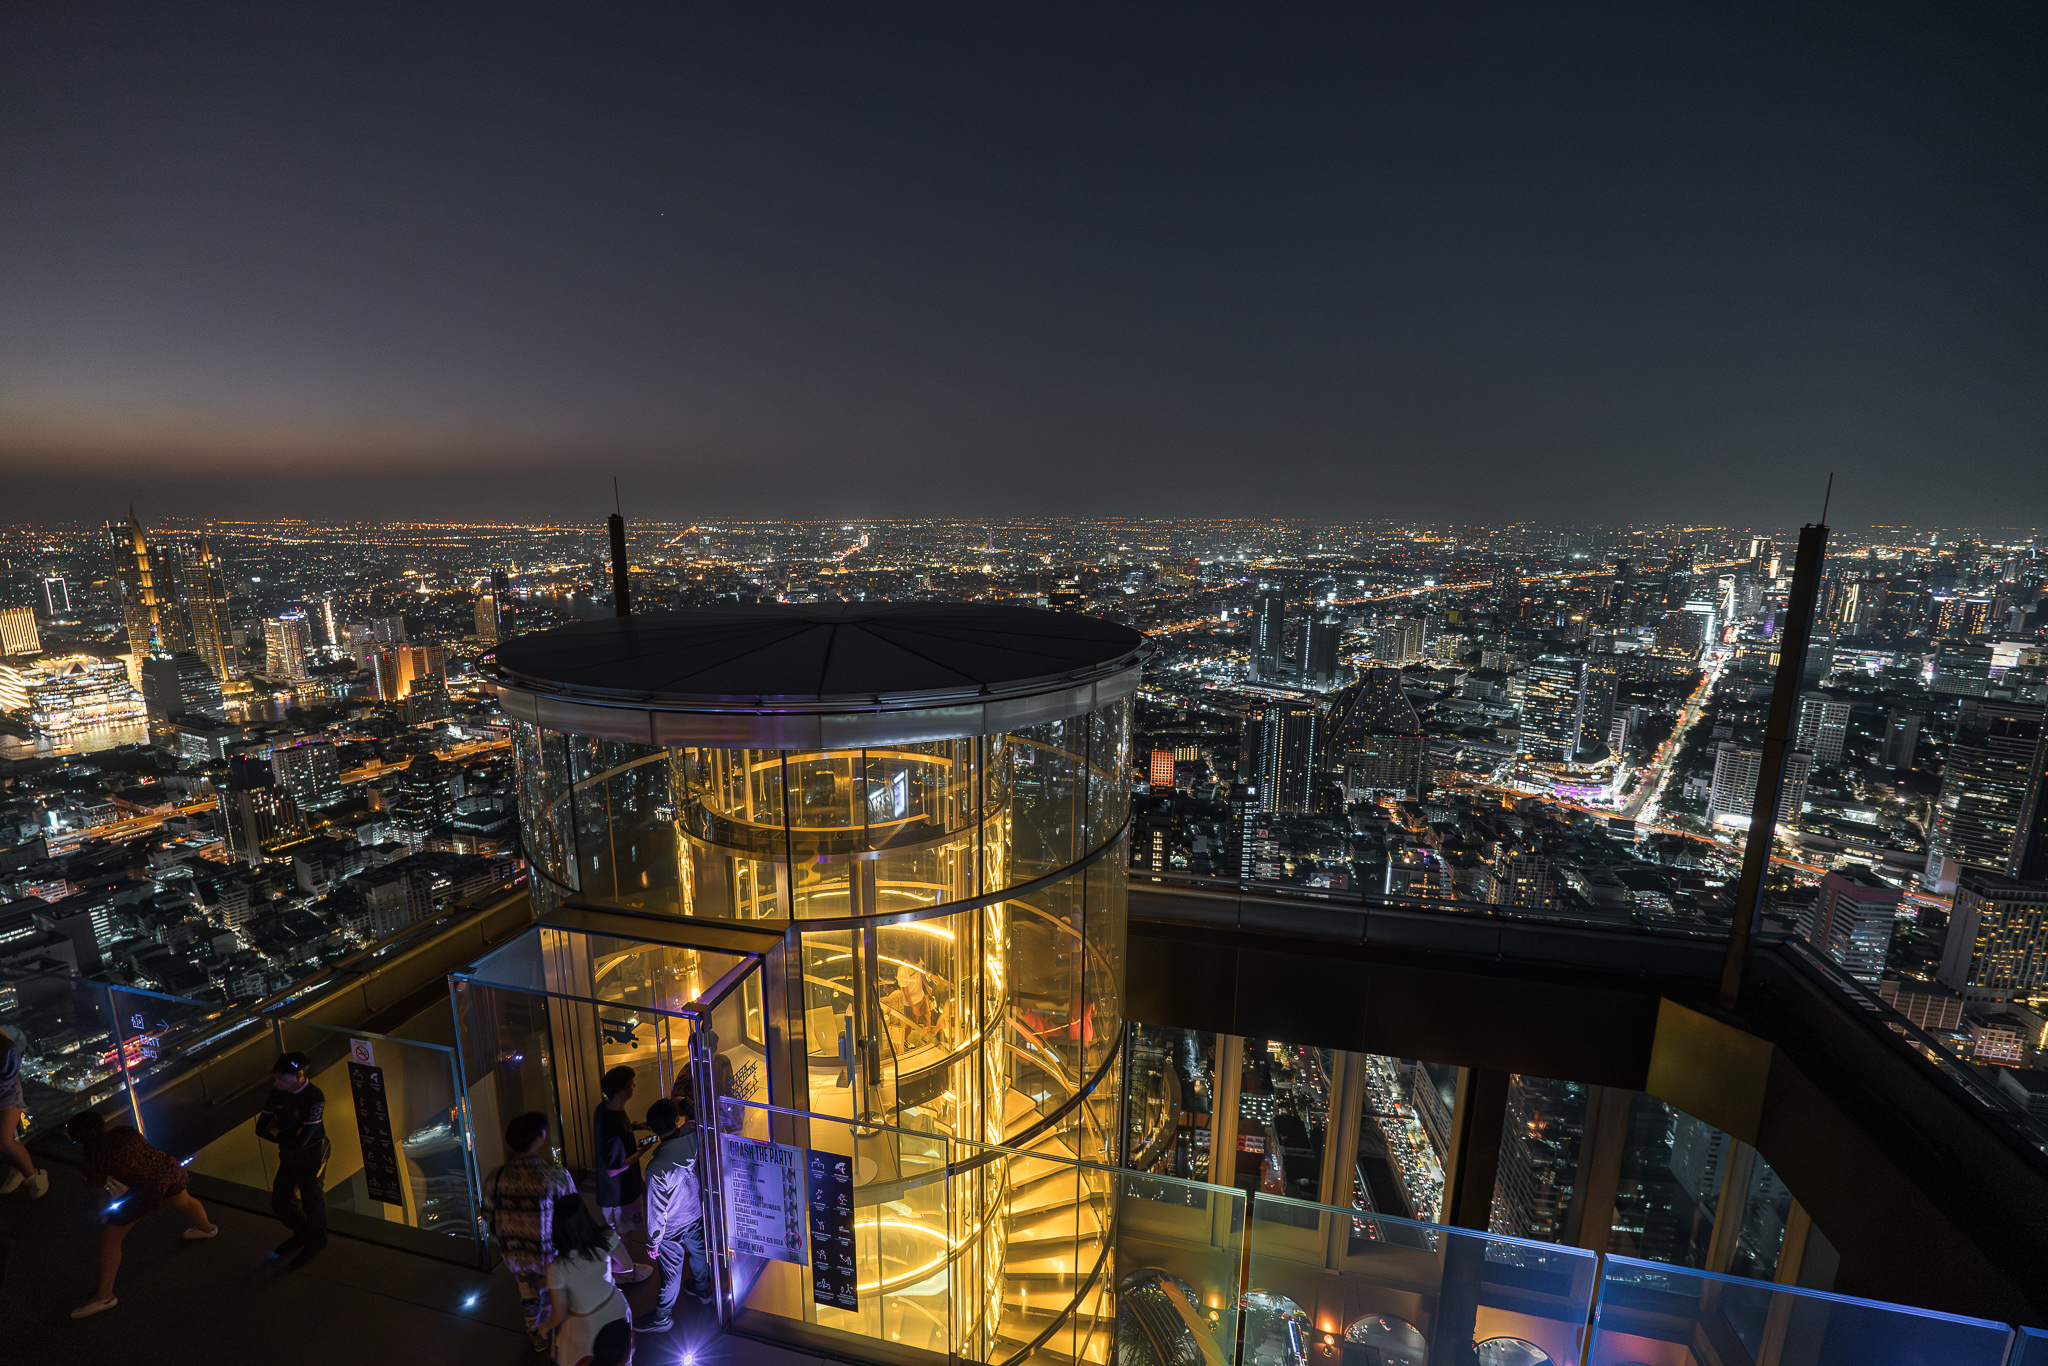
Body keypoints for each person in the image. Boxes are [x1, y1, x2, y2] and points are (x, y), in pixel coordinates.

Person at [65, 1111, 218, 1317]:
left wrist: (105, 1212)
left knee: (111, 1240)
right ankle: (207, 1228)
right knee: (186, 1201)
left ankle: (104, 1296)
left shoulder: (93, 1160)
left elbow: (103, 1190)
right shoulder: (124, 1132)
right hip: (165, 1170)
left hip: (143, 1193)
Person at [481, 1111, 578, 1353]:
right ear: (539, 1138)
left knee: (527, 1293)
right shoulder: (554, 1175)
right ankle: (557, 1336)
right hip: (548, 1253)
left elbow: (487, 1213)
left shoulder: (497, 1177)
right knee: (554, 1294)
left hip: (513, 1253)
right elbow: (573, 1211)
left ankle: (535, 1333)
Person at [634, 1096, 711, 1333]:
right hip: (695, 1211)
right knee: (699, 1254)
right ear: (677, 1119)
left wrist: (653, 1241)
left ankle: (662, 1317)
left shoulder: (656, 1168)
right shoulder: (692, 1136)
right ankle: (703, 1288)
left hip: (672, 1225)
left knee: (671, 1273)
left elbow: (657, 1209)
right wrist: (685, 1103)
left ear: (653, 1129)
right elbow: (695, 1116)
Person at [255, 1051, 328, 1267]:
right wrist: (287, 1136)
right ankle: (303, 1232)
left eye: (282, 1079)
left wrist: (278, 1132)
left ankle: (317, 1240)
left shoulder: (314, 1096)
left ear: (298, 1076)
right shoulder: (278, 1093)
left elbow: (303, 1140)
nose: (277, 1083)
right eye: (276, 1078)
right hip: (289, 1153)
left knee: (311, 1198)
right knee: (280, 1199)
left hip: (313, 1153)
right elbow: (261, 1129)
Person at [542, 1193, 632, 1366]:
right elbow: (627, 1266)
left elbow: (559, 1313)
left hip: (584, 1327)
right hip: (615, 1308)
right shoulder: (606, 1238)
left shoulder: (557, 1268)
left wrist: (544, 1327)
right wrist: (602, 1270)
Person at [592, 1066, 653, 1283]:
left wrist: (636, 1126)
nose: (634, 1087)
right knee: (623, 1232)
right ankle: (625, 1273)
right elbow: (616, 1166)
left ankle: (623, 1268)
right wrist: (643, 1150)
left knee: (619, 1232)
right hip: (621, 1193)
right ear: (621, 1092)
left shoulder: (605, 1109)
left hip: (611, 1192)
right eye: (631, 1085)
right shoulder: (615, 1127)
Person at [0, 1023, 48, 1199]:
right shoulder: (8, 1044)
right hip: (7, 1091)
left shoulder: (8, 1050)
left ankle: (33, 1177)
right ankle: (20, 1169)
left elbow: (8, 1073)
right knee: (4, 1140)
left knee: (4, 1140)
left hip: (7, 1095)